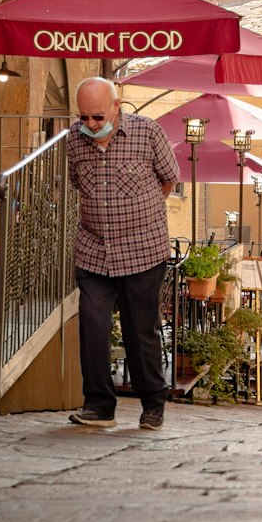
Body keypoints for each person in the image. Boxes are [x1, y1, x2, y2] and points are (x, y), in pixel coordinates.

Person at [66, 76, 179, 431]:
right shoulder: (74, 140)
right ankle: (99, 406)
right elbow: (75, 183)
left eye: (97, 117)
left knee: (139, 329)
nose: (90, 125)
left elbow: (169, 178)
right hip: (93, 249)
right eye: (84, 117)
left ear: (117, 106)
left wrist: (141, 214)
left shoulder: (148, 133)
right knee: (93, 325)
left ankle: (153, 404)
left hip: (143, 250)